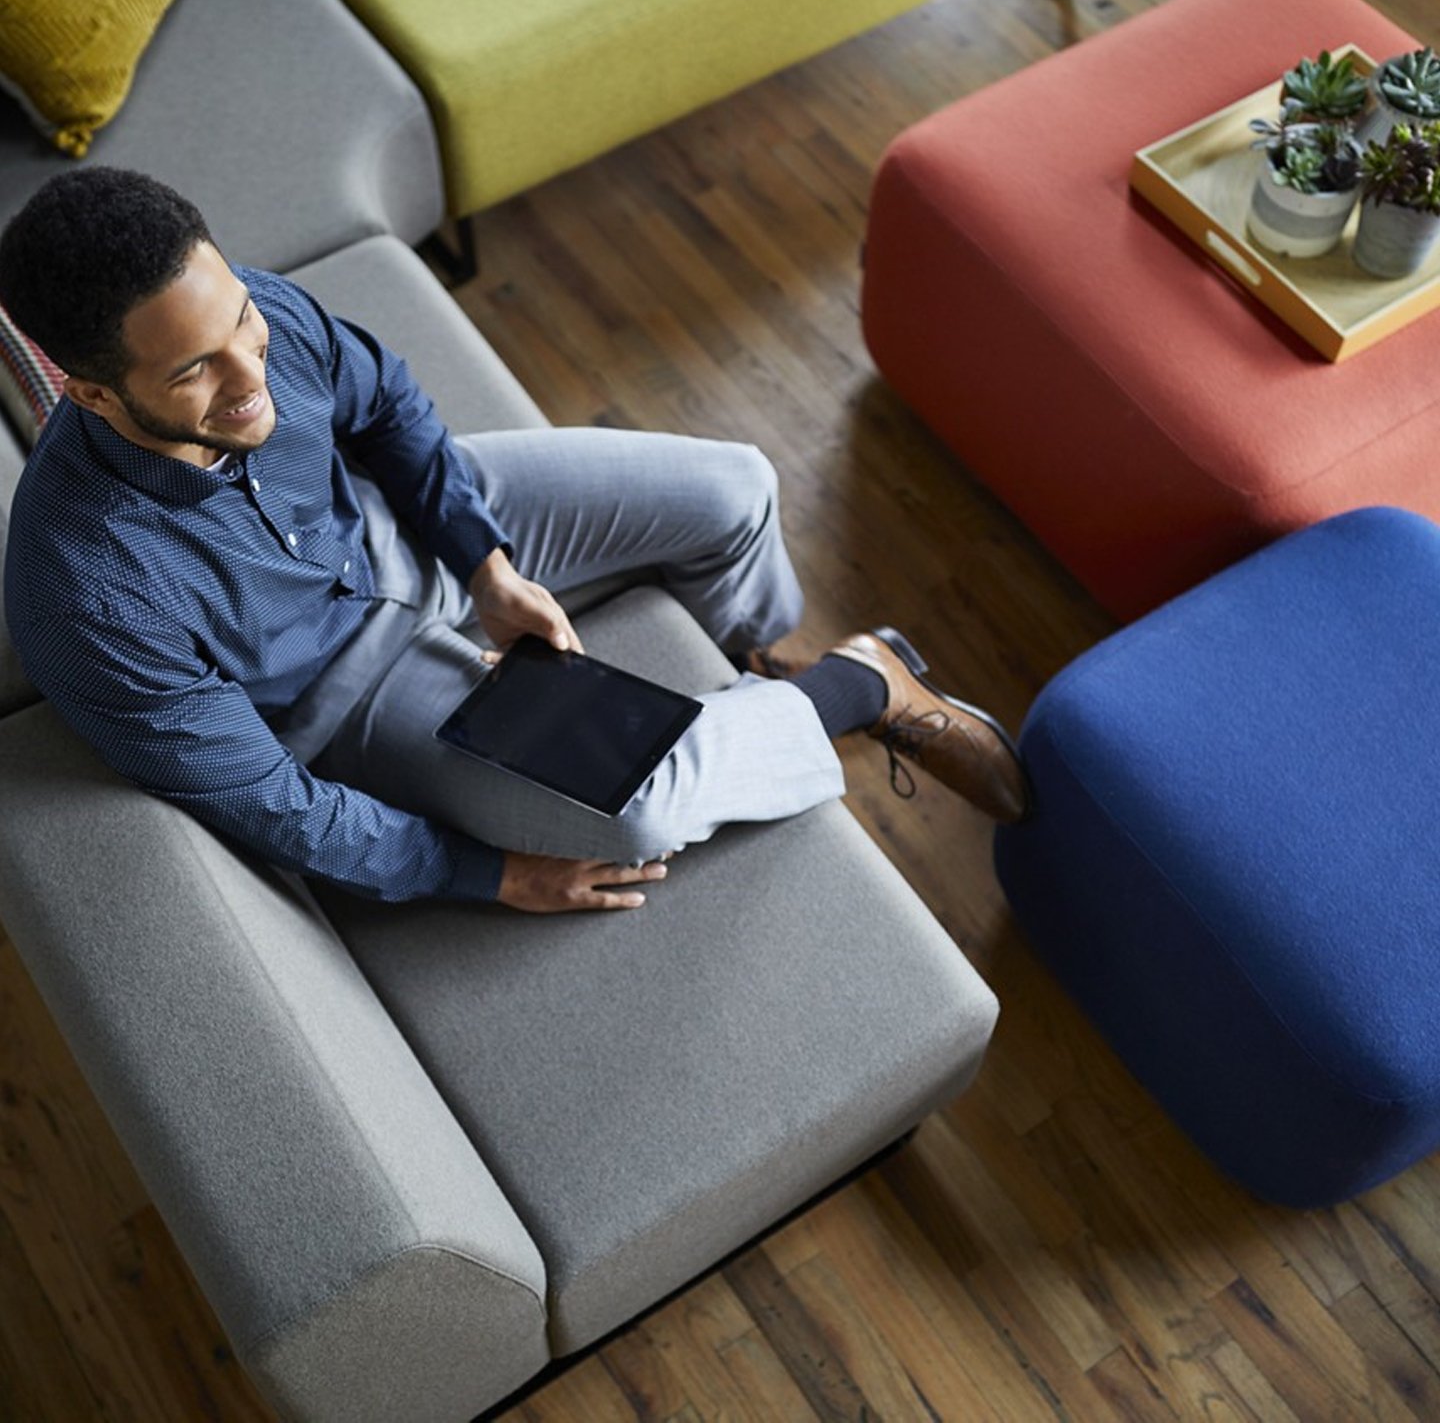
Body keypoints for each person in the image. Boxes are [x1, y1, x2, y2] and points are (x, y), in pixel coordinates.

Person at [0, 168, 1029, 914]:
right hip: (347, 691)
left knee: (738, 487)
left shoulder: (251, 312)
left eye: (241, 327)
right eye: (195, 374)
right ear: (92, 393)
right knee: (639, 817)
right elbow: (275, 805)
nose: (249, 376)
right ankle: (865, 685)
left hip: (405, 532)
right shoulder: (85, 593)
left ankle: (754, 666)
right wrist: (489, 875)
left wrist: (482, 560)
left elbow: (389, 403)